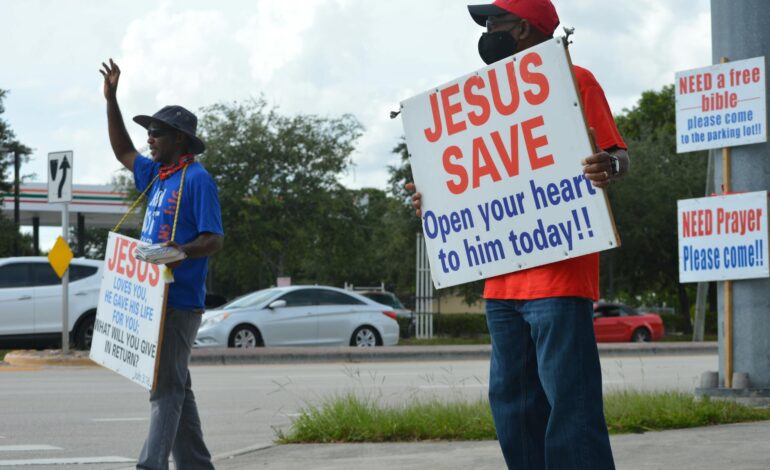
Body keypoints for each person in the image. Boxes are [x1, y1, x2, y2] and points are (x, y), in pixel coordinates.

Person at [406, 1, 629, 469]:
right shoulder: (479, 98)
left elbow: (618, 156)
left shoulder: (575, 78)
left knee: (571, 406)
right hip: (501, 282)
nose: (487, 32)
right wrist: (434, 199)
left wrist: (606, 166)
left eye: (494, 22)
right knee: (513, 406)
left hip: (560, 277)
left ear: (523, 28)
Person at [100, 58, 224, 470]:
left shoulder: (198, 179)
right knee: (176, 387)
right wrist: (111, 99)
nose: (149, 138)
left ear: (180, 139)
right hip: (151, 299)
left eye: (157, 133)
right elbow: (122, 150)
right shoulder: (158, 175)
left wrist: (181, 251)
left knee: (164, 390)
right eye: (148, 132)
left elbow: (214, 238)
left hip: (179, 301)